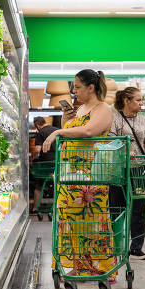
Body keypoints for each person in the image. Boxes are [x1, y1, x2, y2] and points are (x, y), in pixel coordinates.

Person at [41, 70, 115, 278]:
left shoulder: (103, 109)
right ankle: (75, 266)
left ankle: (96, 268)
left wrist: (58, 131)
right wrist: (65, 120)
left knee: (90, 223)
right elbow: (73, 132)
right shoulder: (80, 108)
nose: (74, 91)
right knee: (69, 222)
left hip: (90, 178)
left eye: (78, 86)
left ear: (91, 88)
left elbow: (89, 132)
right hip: (69, 175)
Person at [108, 87, 145, 260]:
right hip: (119, 169)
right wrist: (124, 150)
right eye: (138, 100)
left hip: (139, 169)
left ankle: (136, 248)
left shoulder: (143, 120)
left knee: (139, 208)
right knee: (117, 208)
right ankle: (116, 246)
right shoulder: (114, 117)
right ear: (126, 101)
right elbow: (111, 140)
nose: (141, 103)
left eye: (141, 100)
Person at [30, 116, 58, 213]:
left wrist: (32, 158)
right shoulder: (56, 130)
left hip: (45, 165)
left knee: (39, 186)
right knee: (57, 185)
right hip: (58, 163)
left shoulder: (40, 133)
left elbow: (37, 149)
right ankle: (58, 208)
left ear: (37, 125)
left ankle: (35, 208)